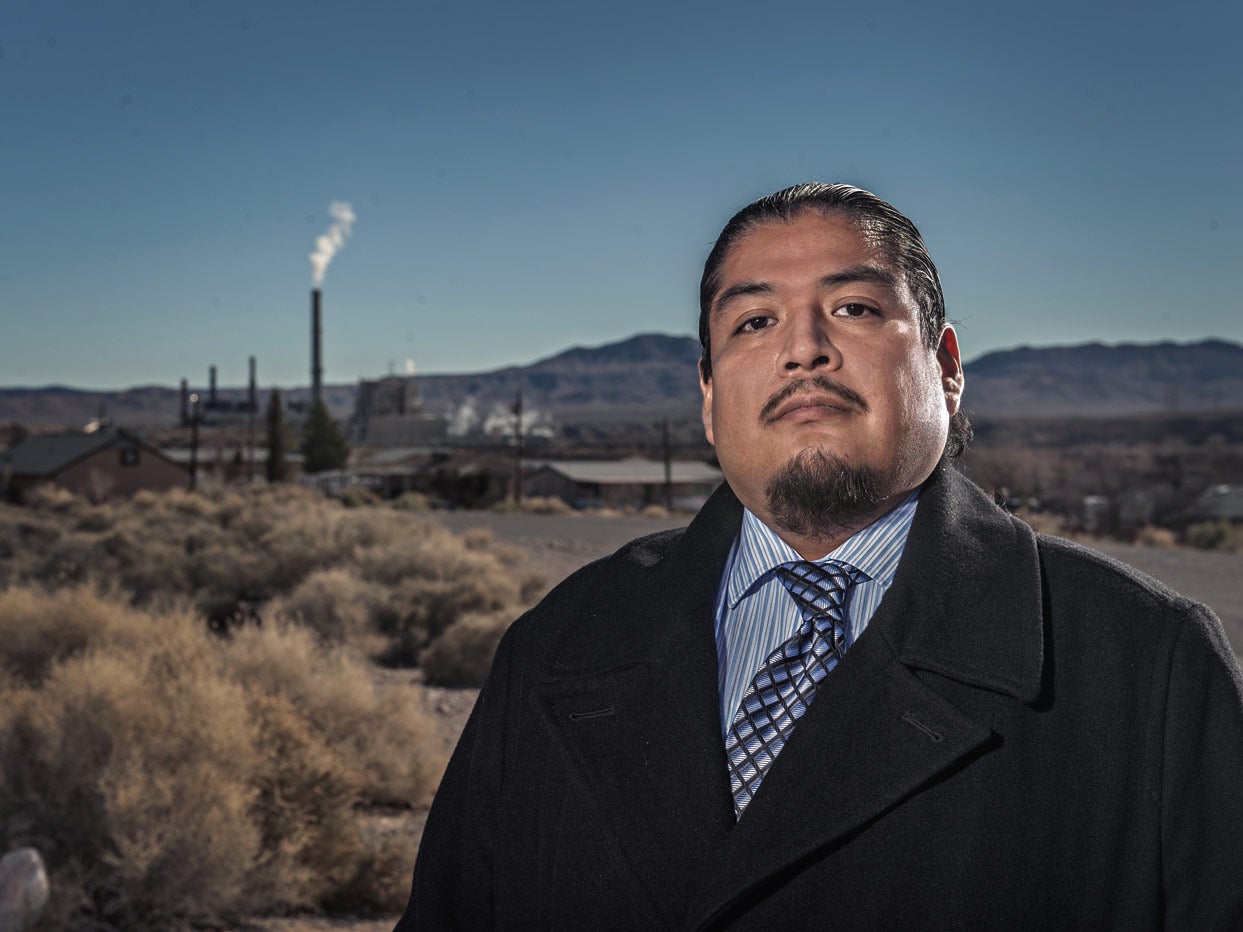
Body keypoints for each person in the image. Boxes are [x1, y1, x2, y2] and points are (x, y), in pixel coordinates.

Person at [397, 184, 1243, 930]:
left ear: (946, 369)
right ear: (707, 397)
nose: (802, 348)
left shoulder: (1146, 664)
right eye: (754, 321)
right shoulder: (560, 641)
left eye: (854, 309)